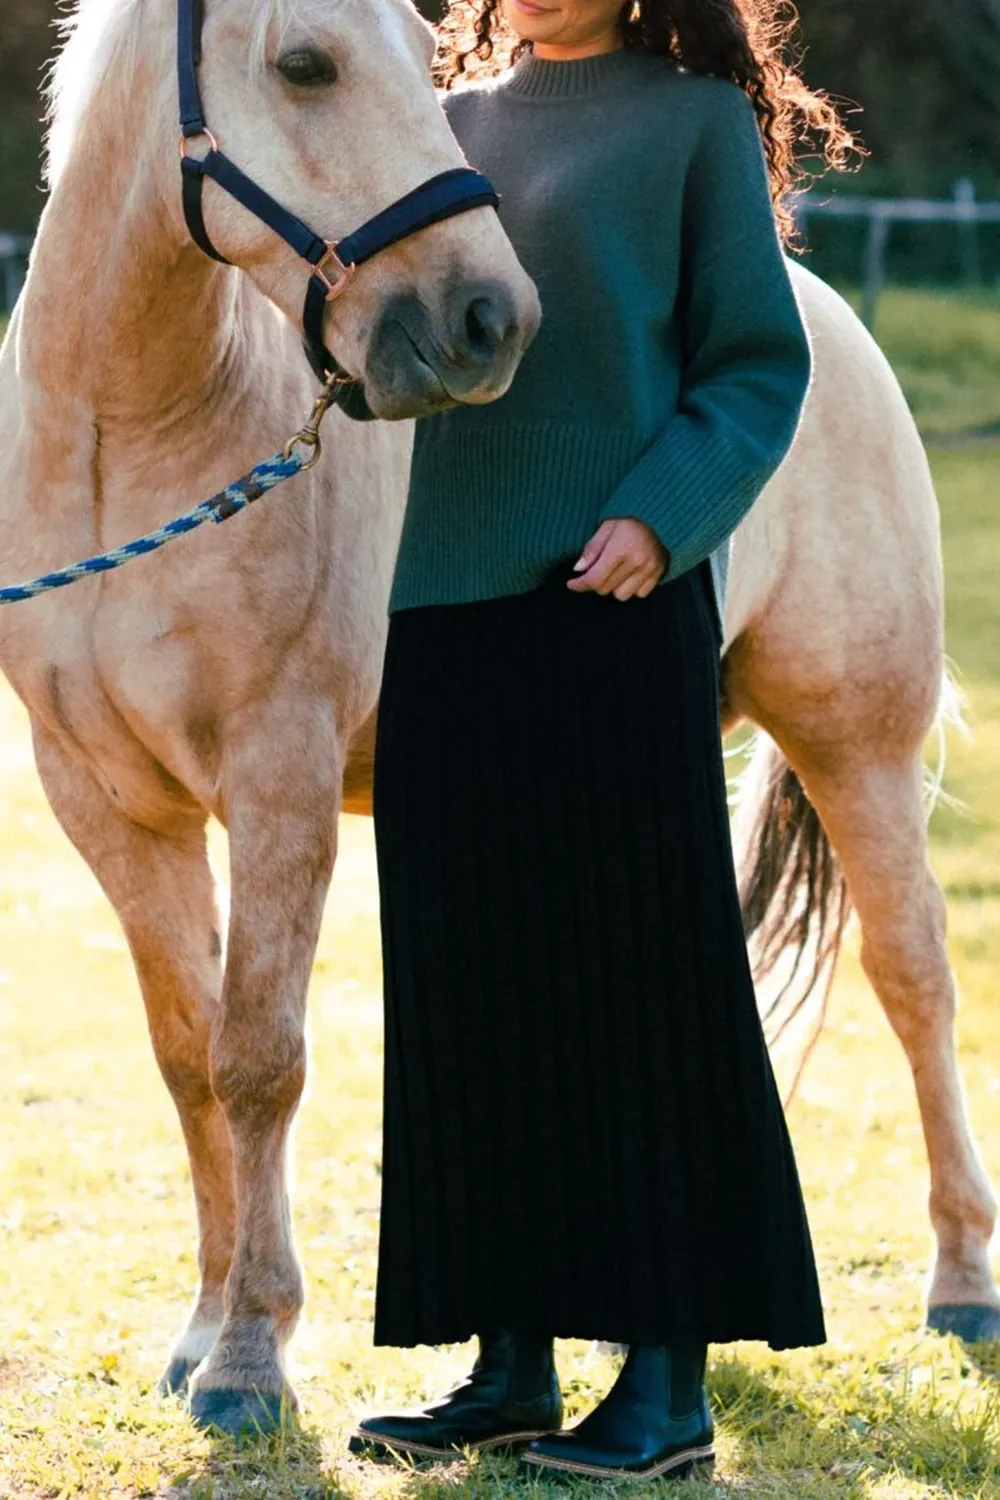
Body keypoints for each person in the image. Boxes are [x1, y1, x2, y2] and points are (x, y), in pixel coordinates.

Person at [350, 0, 854, 1482]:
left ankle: (664, 1388)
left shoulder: (691, 125)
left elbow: (759, 366)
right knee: (471, 995)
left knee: (642, 992)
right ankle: (505, 1368)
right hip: (442, 607)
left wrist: (662, 513)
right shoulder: (440, 127)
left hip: (618, 607)